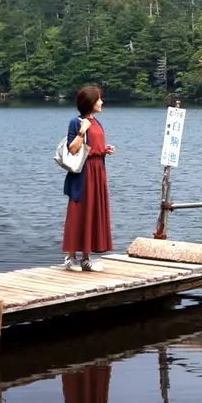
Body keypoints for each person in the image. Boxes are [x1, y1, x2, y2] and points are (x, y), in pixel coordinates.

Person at [61, 85, 114, 272]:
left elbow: (94, 146)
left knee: (92, 211)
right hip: (83, 173)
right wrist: (82, 131)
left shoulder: (98, 122)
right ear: (90, 102)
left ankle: (85, 258)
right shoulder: (76, 122)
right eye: (98, 99)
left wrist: (104, 150)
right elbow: (72, 149)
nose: (101, 102)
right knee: (78, 212)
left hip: (98, 171)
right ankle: (70, 257)